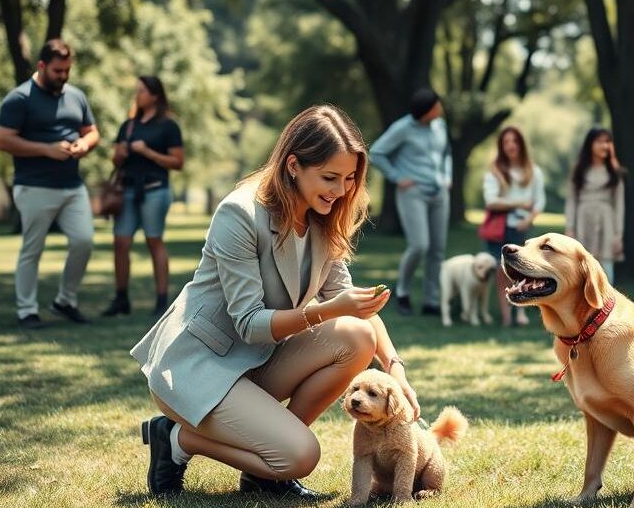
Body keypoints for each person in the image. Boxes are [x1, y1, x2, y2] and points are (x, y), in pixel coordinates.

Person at [130, 105, 420, 498]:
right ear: (294, 165)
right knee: (301, 456)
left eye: (350, 178)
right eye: (330, 177)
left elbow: (357, 308)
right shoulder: (239, 212)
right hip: (199, 366)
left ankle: (265, 469)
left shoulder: (323, 214)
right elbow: (250, 323)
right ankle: (179, 440)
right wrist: (330, 310)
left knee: (357, 336)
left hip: (256, 360)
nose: (341, 191)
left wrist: (394, 369)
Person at [0, 39, 98, 328]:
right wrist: (47, 149)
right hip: (34, 186)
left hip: (72, 186)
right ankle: (26, 310)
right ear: (41, 66)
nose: (63, 76)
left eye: (67, 70)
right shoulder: (19, 98)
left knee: (84, 241)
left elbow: (92, 132)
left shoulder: (76, 95)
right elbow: (2, 140)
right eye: (57, 71)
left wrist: (83, 145)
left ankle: (65, 301)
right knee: (33, 248)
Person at [102, 76, 184, 318]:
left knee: (153, 241)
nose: (137, 95)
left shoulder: (168, 126)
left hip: (155, 190)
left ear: (155, 95)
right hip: (126, 191)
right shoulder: (128, 125)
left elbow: (178, 162)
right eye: (136, 91)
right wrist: (121, 153)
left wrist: (147, 152)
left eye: (141, 91)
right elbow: (115, 159)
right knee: (120, 243)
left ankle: (161, 300)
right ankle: (121, 298)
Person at [369, 88, 452, 316]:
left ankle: (431, 301)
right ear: (426, 111)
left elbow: (446, 154)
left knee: (437, 249)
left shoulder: (440, 126)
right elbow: (376, 153)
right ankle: (403, 291)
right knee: (419, 246)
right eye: (437, 105)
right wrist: (397, 177)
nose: (440, 108)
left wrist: (447, 177)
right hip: (413, 193)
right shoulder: (402, 128)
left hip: (439, 194)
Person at [483, 126, 546, 327]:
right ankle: (505, 314)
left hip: (522, 228)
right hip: (501, 228)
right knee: (501, 270)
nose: (510, 145)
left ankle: (521, 312)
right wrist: (519, 204)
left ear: (521, 144)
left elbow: (539, 201)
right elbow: (491, 201)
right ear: (501, 146)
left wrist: (528, 220)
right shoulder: (495, 172)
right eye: (506, 142)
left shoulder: (533, 171)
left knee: (524, 270)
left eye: (514, 141)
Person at [565, 126, 625, 284]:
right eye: (600, 141)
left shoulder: (614, 172)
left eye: (607, 141)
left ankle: (607, 306)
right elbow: (571, 200)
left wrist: (618, 235)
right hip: (583, 219)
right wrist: (570, 227)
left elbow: (619, 204)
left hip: (606, 221)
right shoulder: (579, 170)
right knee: (581, 267)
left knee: (606, 269)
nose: (604, 146)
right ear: (590, 144)